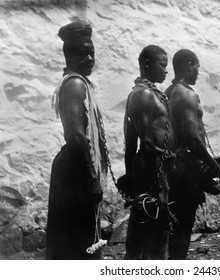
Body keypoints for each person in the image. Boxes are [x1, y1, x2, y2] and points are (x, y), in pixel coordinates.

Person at [46, 21, 107, 260]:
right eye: (83, 53)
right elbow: (77, 136)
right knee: (79, 244)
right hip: (76, 171)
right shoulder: (74, 84)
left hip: (76, 168)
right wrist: (92, 180)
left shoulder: (80, 82)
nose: (90, 58)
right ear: (69, 56)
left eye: (92, 53)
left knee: (81, 240)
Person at [165, 49, 220, 259]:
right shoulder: (188, 94)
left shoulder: (169, 91)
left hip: (172, 165)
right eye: (197, 68)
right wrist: (213, 165)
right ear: (188, 65)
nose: (198, 73)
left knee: (172, 226)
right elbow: (192, 136)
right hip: (186, 169)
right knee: (183, 226)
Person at [123, 45, 176, 259]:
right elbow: (144, 144)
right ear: (147, 64)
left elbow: (129, 144)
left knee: (148, 224)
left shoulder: (149, 92)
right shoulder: (144, 94)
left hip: (153, 168)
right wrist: (160, 184)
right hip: (152, 170)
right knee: (153, 221)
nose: (166, 70)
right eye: (162, 65)